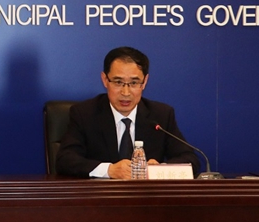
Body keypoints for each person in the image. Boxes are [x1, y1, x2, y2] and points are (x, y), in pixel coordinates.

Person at [55, 47, 200, 179]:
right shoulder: (84, 113)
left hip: (146, 197)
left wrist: (158, 170)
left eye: (134, 83)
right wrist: (109, 170)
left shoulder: (161, 115)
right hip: (100, 196)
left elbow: (190, 159)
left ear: (145, 82)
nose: (126, 93)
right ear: (105, 80)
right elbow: (65, 160)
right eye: (118, 82)